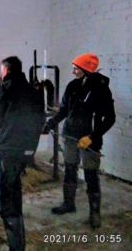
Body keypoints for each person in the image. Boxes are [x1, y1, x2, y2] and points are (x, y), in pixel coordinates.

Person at [43, 53, 116, 229]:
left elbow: (110, 118)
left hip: (90, 140)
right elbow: (63, 110)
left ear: (86, 70)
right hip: (70, 136)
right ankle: (69, 204)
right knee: (69, 169)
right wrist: (50, 124)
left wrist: (92, 137)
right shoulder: (72, 86)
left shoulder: (101, 89)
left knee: (90, 174)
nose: (73, 70)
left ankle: (94, 213)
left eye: (76, 68)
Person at [0, 56, 45, 251]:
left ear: (6, 70)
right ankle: (17, 237)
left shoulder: (2, 89)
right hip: (28, 149)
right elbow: (41, 119)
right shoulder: (35, 91)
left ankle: (16, 245)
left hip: (9, 149)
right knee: (14, 185)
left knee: (6, 193)